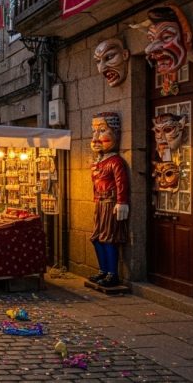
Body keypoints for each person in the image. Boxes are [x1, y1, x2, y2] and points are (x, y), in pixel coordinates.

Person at [89, 112, 130, 287]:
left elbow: (121, 183)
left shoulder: (116, 161)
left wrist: (122, 201)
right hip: (99, 203)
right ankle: (103, 270)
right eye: (94, 131)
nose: (96, 137)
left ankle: (112, 273)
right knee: (96, 237)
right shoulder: (99, 162)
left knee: (108, 238)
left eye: (102, 131)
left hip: (110, 204)